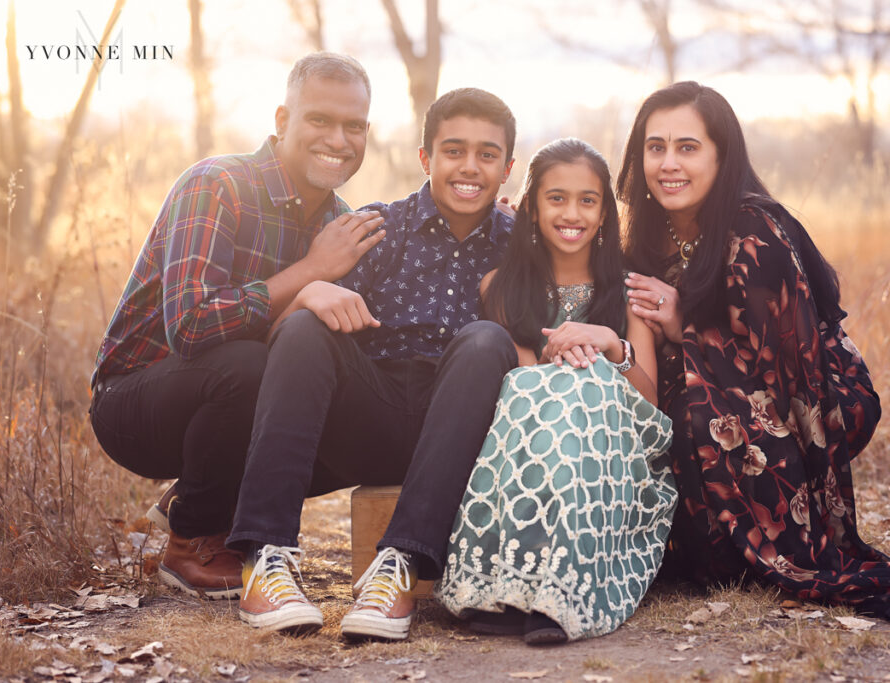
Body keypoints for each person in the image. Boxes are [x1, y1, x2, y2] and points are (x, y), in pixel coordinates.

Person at [617, 81, 890, 624]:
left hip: (806, 413)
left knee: (697, 411)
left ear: (722, 156)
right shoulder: (651, 238)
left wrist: (683, 326)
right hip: (722, 418)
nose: (668, 164)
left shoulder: (754, 231)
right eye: (655, 147)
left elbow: (781, 376)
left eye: (687, 147)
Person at [225, 88, 520, 638]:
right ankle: (265, 561)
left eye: (487, 154)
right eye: (453, 151)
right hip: (371, 413)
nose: (469, 167)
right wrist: (311, 291)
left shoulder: (521, 245)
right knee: (305, 325)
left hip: (463, 427)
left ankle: (400, 566)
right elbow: (284, 332)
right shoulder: (376, 229)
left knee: (484, 339)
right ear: (426, 157)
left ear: (508, 168)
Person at [88, 52, 384, 600]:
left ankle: (211, 497)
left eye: (355, 126)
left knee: (344, 400)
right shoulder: (217, 183)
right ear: (281, 121)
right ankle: (192, 540)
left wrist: (498, 229)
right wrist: (311, 273)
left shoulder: (340, 222)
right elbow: (192, 326)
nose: (339, 140)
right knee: (245, 367)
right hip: (135, 400)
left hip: (230, 394)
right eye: (320, 120)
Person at [437, 138, 678, 645]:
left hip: (611, 453)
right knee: (537, 388)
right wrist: (552, 361)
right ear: (530, 209)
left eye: (588, 200)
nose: (572, 213)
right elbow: (514, 388)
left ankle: (564, 590)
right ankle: (507, 584)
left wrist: (612, 345)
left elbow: (649, 404)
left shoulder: (629, 289)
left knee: (588, 382)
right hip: (529, 444)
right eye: (556, 198)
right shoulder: (499, 288)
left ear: (605, 214)